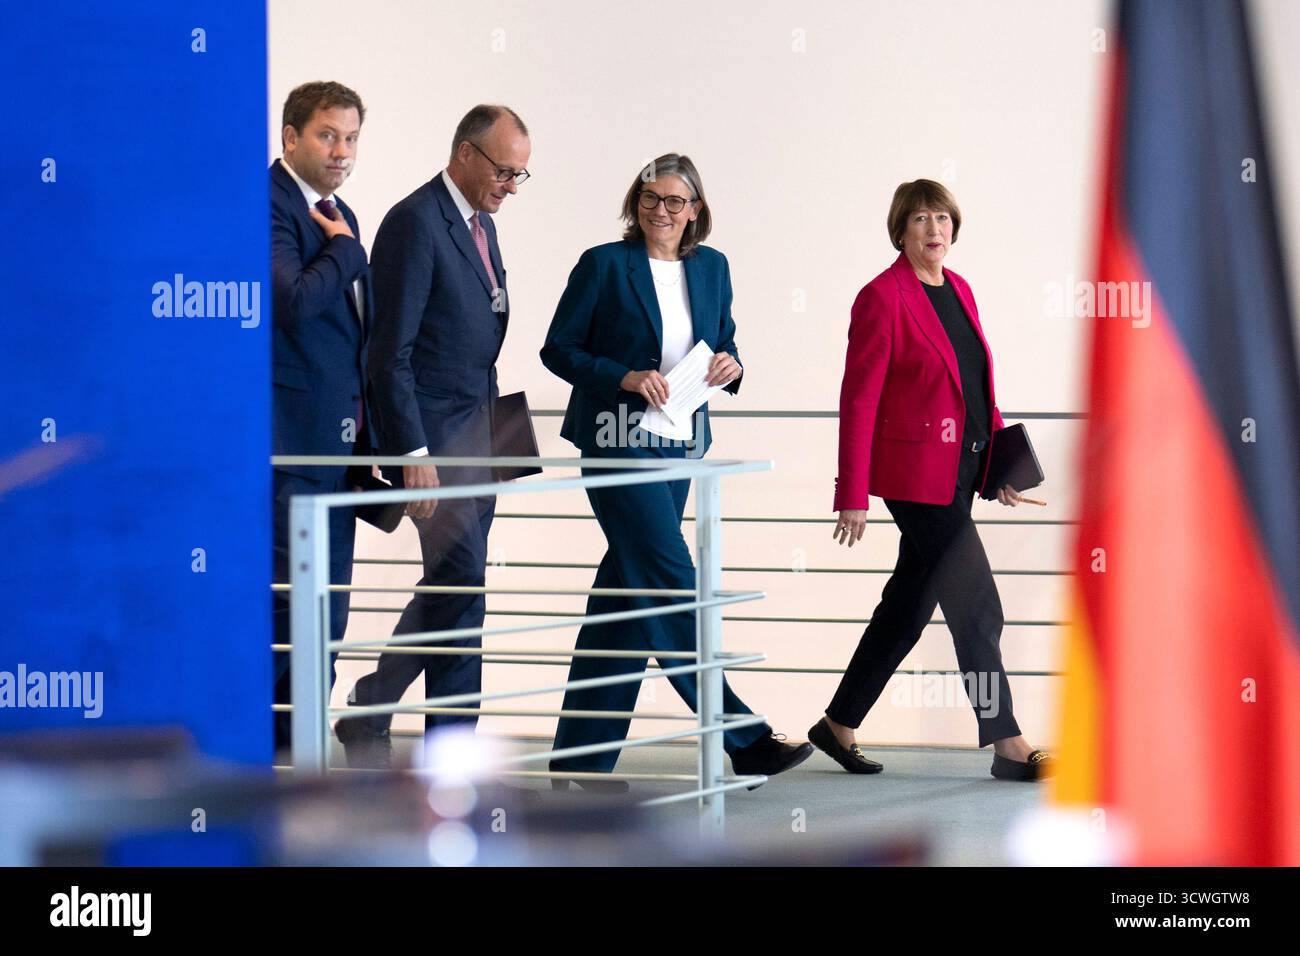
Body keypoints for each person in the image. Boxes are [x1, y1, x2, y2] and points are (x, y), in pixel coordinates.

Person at [539, 153, 813, 792]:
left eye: (674, 202)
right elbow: (559, 348)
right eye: (649, 198)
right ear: (636, 202)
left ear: (695, 211)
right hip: (617, 440)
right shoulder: (604, 264)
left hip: (679, 444)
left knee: (627, 599)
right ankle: (742, 738)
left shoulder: (712, 268)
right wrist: (625, 377)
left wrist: (731, 365)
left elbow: (726, 340)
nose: (660, 211)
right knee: (670, 580)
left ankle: (578, 766)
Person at [811, 179, 1053, 781]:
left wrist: (998, 466)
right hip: (914, 477)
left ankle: (838, 725)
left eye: (942, 218)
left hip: (961, 471)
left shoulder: (961, 289)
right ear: (901, 229)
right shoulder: (881, 297)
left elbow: (977, 390)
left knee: (908, 605)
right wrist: (853, 492)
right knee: (977, 604)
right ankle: (1007, 743)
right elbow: (859, 399)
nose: (934, 229)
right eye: (921, 219)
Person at [334, 105, 530, 768]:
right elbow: (388, 353)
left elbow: (481, 328)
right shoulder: (415, 221)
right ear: (466, 154)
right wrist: (410, 454)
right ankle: (435, 747)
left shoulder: (481, 223)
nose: (510, 184)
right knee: (462, 582)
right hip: (435, 437)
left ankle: (381, 710)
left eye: (520, 175)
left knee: (457, 587)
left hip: (486, 425)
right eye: (504, 170)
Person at [270, 81, 373, 756]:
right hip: (289, 442)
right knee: (286, 603)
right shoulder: (269, 205)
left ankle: (300, 739)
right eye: (327, 135)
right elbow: (293, 301)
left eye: (351, 137)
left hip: (337, 447)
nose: (341, 151)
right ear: (290, 139)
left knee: (328, 606)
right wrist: (345, 251)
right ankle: (272, 748)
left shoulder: (340, 214)